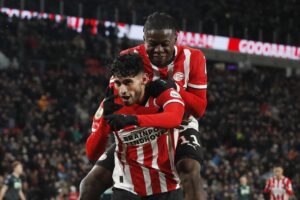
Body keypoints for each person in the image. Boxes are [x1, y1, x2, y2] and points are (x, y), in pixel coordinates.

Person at [82, 12, 207, 200]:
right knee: (90, 183)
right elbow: (117, 98)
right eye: (152, 44)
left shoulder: (194, 58)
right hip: (140, 124)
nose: (158, 50)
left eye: (164, 44)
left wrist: (175, 88)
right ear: (144, 39)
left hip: (180, 123)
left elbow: (198, 109)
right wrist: (115, 123)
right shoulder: (129, 58)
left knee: (189, 168)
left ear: (175, 38)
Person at [81, 53, 185, 199]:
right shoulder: (110, 105)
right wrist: (105, 123)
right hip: (126, 188)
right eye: (118, 83)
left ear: (144, 79)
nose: (123, 90)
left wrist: (133, 120)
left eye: (128, 82)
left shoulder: (162, 93)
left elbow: (175, 118)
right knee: (87, 185)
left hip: (166, 187)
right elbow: (92, 154)